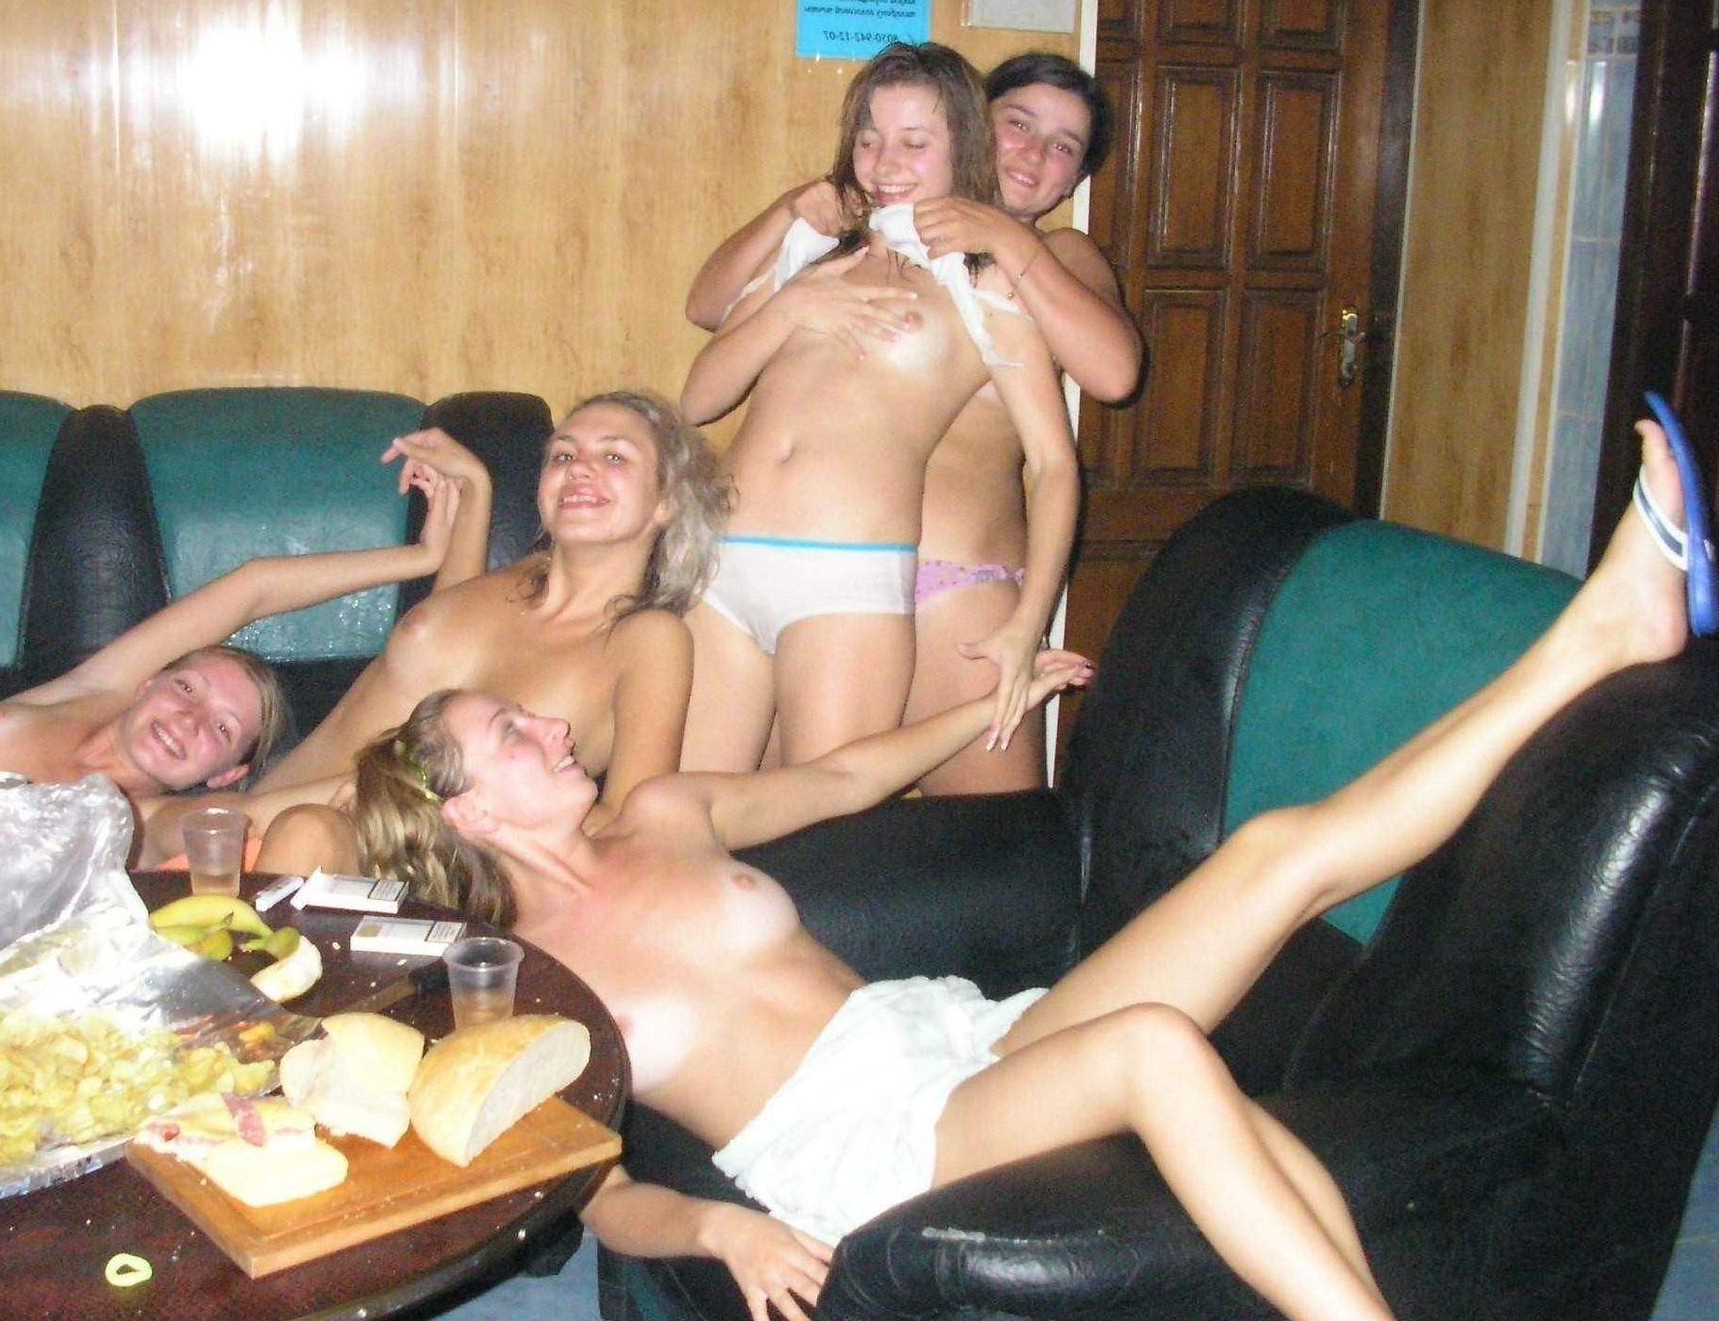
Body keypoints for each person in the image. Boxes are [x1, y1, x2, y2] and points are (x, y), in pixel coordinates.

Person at [347, 414, 1698, 1321]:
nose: (550, 725)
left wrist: (995, 703)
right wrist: (720, 1232)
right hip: (868, 1151)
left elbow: (845, 779)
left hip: (957, 1040)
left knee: (1276, 855)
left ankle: (1598, 638)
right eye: (512, 735)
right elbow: (599, 1198)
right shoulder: (521, 976)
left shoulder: (666, 812)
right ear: (468, 815)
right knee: (1154, 1051)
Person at [688, 52, 1141, 792]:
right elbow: (710, 313)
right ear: (974, 126)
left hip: (949, 590)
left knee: (977, 836)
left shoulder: (1048, 260)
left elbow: (1114, 376)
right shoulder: (850, 242)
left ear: (1074, 180)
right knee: (755, 812)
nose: (1032, 154)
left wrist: (1008, 238)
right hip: (797, 559)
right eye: (1018, 124)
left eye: (1062, 147)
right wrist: (791, 212)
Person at [138, 390, 731, 876]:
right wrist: (474, 489)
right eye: (563, 455)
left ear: (667, 502)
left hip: (368, 856)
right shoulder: (514, 581)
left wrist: (424, 793)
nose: (579, 469)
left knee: (300, 832)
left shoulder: (648, 640)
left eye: (615, 457)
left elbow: (634, 823)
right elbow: (445, 658)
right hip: (245, 814)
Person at [0, 432, 484, 851]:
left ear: (224, 774)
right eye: (185, 687)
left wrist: (433, 781)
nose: (188, 718)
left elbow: (266, 811)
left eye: (222, 728)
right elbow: (254, 585)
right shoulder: (84, 693)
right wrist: (418, 557)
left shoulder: (144, 823)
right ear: (147, 682)